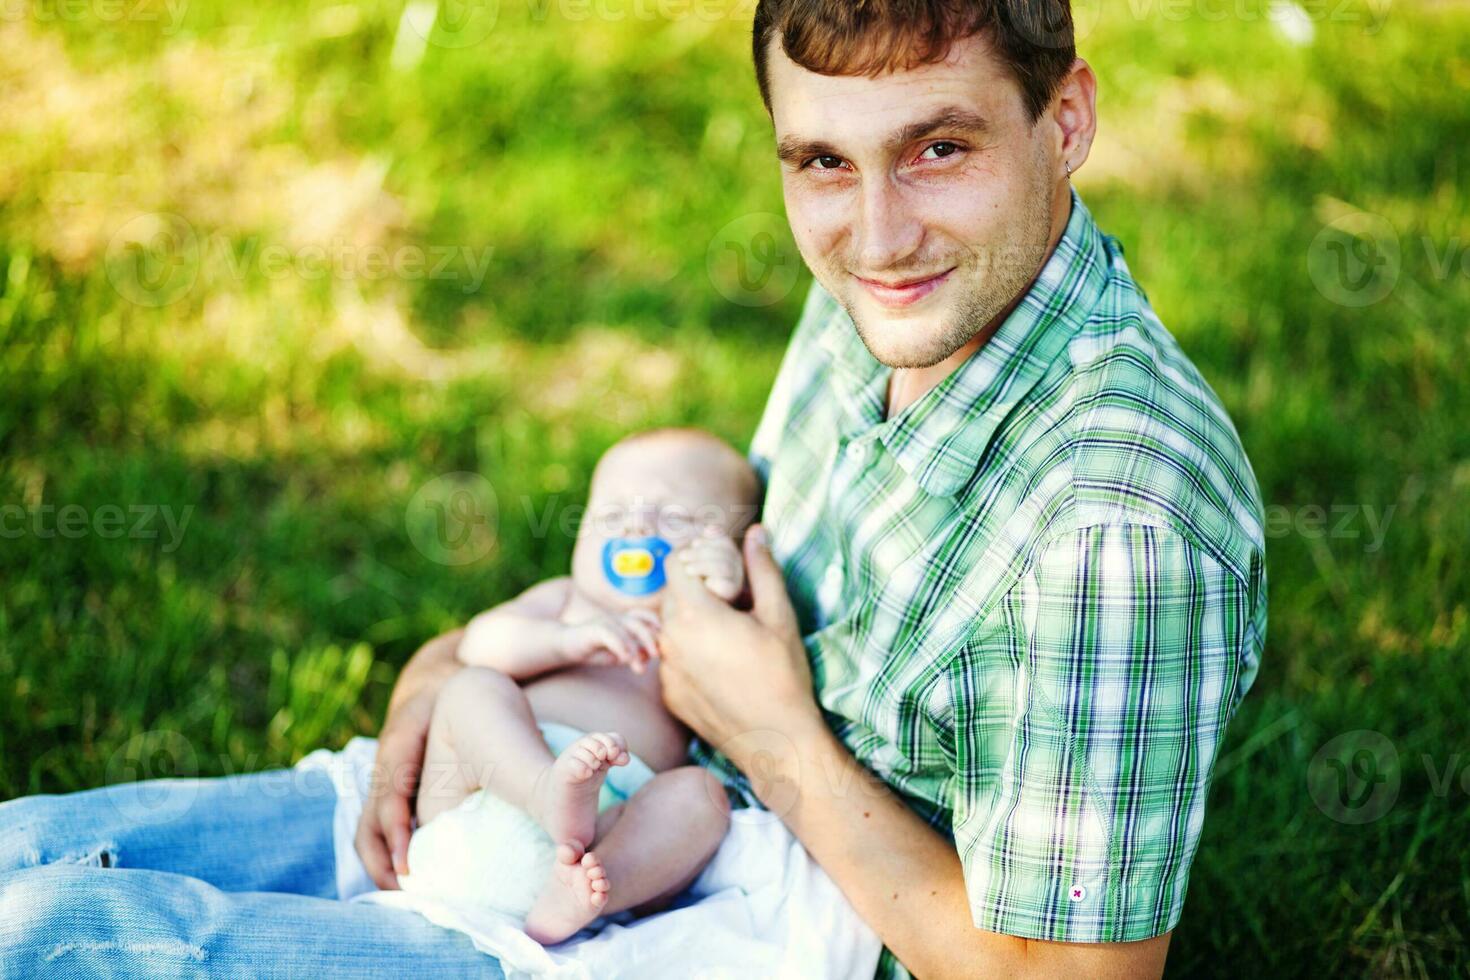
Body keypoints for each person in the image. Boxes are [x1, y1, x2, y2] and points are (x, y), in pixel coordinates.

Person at [1, 3, 1267, 978]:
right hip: (576, 784)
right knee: (21, 858)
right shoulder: (909, 294)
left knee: (69, 932)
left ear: (1067, 121)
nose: (875, 234)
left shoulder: (1117, 525)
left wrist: (772, 736)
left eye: (940, 149)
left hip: (698, 926)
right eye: (821, 161)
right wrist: (452, 669)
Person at [404, 428, 749, 943]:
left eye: (674, 518)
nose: (636, 528)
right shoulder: (565, 602)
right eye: (611, 516)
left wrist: (724, 597)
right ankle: (546, 790)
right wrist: (564, 640)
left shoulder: (696, 630)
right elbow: (480, 643)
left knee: (702, 797)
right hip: (477, 797)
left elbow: (743, 692)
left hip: (599, 840)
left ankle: (591, 894)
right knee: (474, 687)